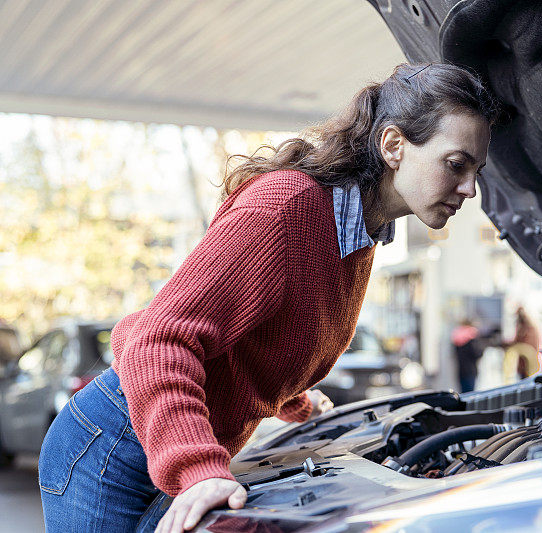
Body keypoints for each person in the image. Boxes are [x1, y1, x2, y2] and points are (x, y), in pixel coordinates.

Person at [38, 62, 498, 533]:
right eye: (457, 164)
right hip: (113, 449)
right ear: (394, 146)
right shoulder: (285, 207)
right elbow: (158, 342)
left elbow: (258, 329)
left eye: (477, 170)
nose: (470, 189)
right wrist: (198, 469)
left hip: (174, 441)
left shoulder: (358, 234)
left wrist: (286, 397)